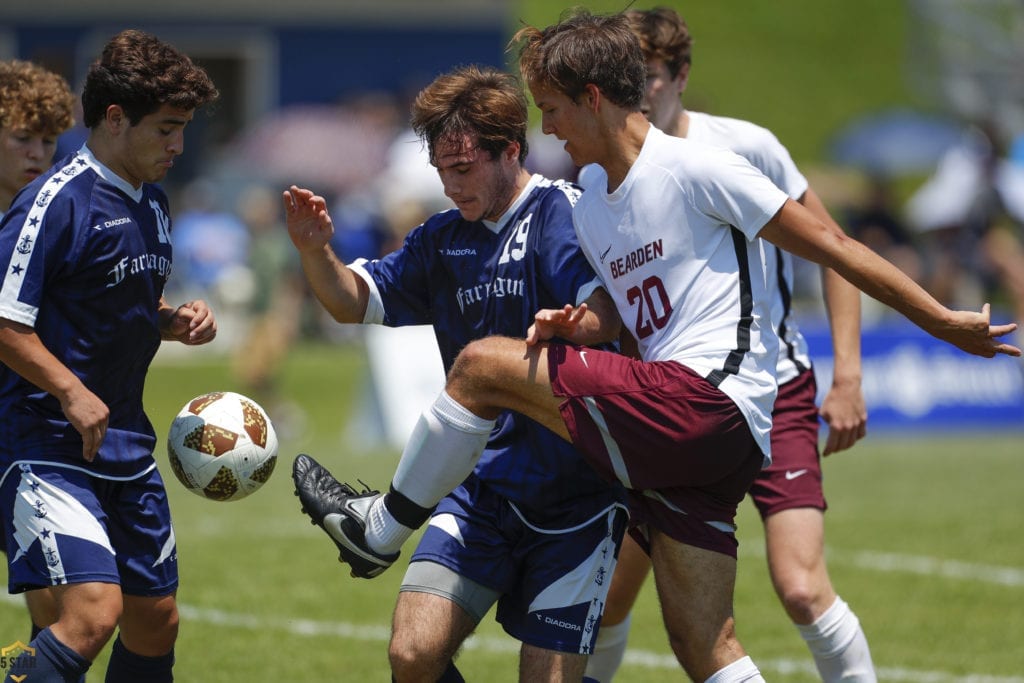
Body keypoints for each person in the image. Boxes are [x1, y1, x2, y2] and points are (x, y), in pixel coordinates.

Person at [294, 10, 1020, 683]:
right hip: (689, 442)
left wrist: (940, 321)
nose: (548, 127)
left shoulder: (695, 165)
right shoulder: (598, 197)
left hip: (710, 401)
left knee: (482, 364)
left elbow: (830, 243)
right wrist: (582, 325)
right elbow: (615, 307)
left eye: (551, 108)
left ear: (593, 98)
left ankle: (379, 528)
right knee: (705, 643)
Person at [286, 65, 629, 682]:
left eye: (463, 169)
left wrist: (579, 322)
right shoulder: (443, 239)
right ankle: (380, 529)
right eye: (442, 170)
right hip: (480, 494)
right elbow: (351, 301)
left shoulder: (564, 215)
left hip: (576, 502)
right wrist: (316, 249)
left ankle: (379, 528)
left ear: (511, 151)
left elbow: (607, 314)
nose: (449, 186)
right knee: (412, 655)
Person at [581, 8, 875, 682]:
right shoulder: (603, 177)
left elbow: (837, 252)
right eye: (625, 78)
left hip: (772, 389)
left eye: (649, 76)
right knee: (609, 596)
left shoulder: (743, 147)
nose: (638, 92)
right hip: (672, 399)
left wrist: (849, 375)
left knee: (800, 585)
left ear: (681, 76)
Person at [0, 29, 218, 682]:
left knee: (156, 620)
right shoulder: (53, 201)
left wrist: (172, 320)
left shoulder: (152, 200)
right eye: (167, 129)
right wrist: (68, 389)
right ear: (116, 120)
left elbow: (108, 301)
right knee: (91, 613)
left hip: (126, 444)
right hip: (44, 443)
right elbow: (7, 320)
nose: (178, 145)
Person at [0, 58, 76, 647]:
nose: (37, 153)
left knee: (52, 604)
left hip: (25, 431)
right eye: (22, 138)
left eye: (48, 140)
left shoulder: (47, 217)